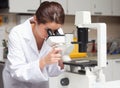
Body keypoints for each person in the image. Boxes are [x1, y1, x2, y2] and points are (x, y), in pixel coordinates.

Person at [3, 1, 65, 88]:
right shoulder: (17, 33)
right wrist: (43, 61)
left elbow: (52, 72)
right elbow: (17, 71)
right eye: (48, 30)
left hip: (40, 84)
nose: (52, 34)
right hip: (17, 84)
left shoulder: (57, 33)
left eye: (55, 30)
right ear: (35, 19)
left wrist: (61, 61)